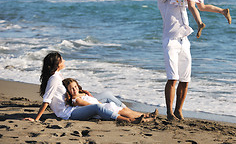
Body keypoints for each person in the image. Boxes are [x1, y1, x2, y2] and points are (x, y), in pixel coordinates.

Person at [24, 52, 153, 123]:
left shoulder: (58, 74)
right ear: (57, 64)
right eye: (62, 59)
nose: (64, 61)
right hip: (68, 113)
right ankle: (127, 120)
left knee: (107, 95)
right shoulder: (54, 79)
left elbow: (68, 92)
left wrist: (81, 92)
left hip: (73, 103)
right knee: (98, 107)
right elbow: (46, 100)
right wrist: (36, 119)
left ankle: (135, 113)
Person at [155, 0, 192, 121]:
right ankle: (169, 113)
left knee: (185, 79)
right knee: (173, 78)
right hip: (170, 42)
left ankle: (178, 111)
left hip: (184, 41)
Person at [62, 78, 157, 123]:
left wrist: (86, 93)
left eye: (75, 87)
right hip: (100, 107)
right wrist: (103, 105)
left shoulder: (81, 93)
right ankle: (146, 118)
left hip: (99, 105)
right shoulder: (76, 100)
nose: (75, 89)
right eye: (72, 89)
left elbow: (91, 99)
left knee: (125, 110)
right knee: (124, 111)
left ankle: (145, 115)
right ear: (68, 91)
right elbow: (90, 104)